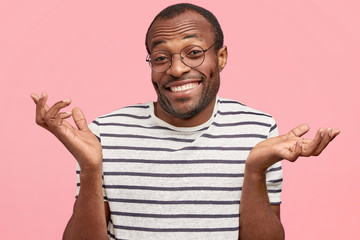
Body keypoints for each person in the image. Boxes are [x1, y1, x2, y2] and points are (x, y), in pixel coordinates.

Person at [31, 3, 339, 240]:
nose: (176, 69)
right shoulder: (105, 133)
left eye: (193, 53)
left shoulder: (257, 130)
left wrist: (255, 170)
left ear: (220, 57)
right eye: (161, 57)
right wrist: (90, 169)